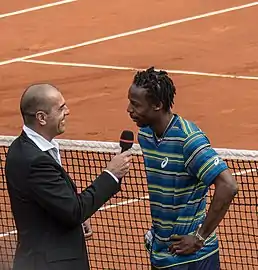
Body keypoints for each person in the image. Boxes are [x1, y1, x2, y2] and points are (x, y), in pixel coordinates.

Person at [5, 83, 132, 270]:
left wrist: (75, 213)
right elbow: (74, 211)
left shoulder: (24, 148)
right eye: (61, 108)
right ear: (41, 118)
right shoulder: (35, 160)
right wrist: (111, 174)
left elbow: (56, 204)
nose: (68, 111)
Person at [127, 67, 238, 270]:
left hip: (194, 258)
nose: (129, 110)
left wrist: (199, 237)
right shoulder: (145, 136)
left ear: (158, 105)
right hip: (163, 254)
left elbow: (228, 185)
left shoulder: (188, 140)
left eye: (135, 105)